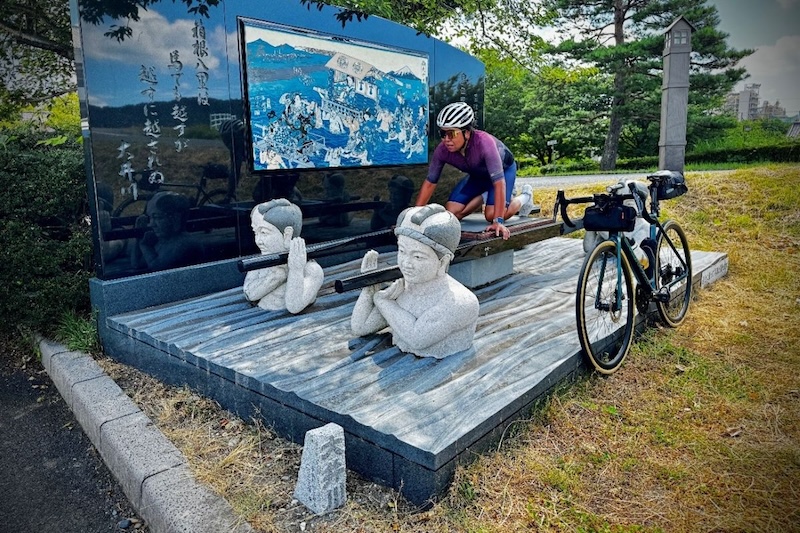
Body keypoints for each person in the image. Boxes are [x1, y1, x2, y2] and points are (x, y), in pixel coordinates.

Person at [351, 204, 480, 358]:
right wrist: (369, 288)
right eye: (402, 251)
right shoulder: (403, 289)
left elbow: (417, 338)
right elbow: (360, 327)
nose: (406, 263)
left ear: (443, 262)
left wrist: (382, 301)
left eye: (418, 256)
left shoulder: (459, 301)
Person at [415, 101, 534, 240]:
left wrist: (498, 221)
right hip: (478, 176)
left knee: (491, 215)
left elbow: (499, 183)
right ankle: (485, 195)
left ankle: (526, 196)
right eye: (442, 133)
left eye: (451, 133)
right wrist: (415, 215)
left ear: (466, 133)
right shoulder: (442, 150)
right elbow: (430, 182)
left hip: (502, 173)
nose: (446, 139)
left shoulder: (484, 143)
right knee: (452, 212)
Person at [243, 199, 324, 314]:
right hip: (258, 317)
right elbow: (249, 293)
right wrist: (277, 276)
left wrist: (296, 269)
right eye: (255, 232)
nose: (258, 240)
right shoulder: (263, 261)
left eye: (264, 233)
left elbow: (294, 306)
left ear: (287, 234)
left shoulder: (311, 270)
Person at [129, 192, 204, 271]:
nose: (151, 224)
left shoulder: (185, 244)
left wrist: (145, 246)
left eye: (158, 217)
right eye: (150, 217)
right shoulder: (163, 239)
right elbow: (136, 265)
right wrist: (139, 238)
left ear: (175, 218)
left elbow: (157, 272)